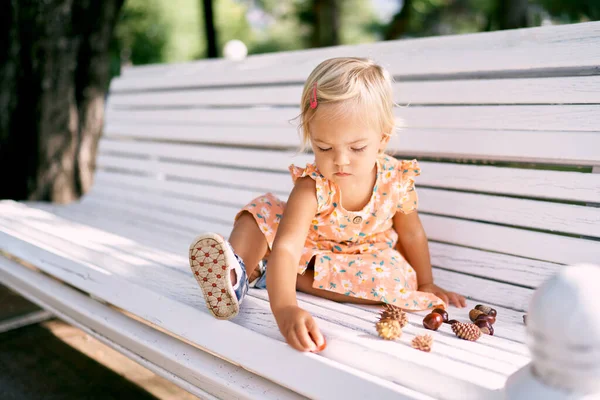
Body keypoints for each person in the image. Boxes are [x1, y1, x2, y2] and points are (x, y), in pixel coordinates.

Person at [189, 57, 466, 353]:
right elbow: (287, 246)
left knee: (397, 280)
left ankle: (274, 273)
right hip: (301, 246)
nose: (340, 160)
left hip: (360, 260)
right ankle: (233, 275)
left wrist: (426, 283)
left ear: (382, 140)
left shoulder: (395, 180)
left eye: (357, 148)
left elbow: (412, 235)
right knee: (259, 214)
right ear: (311, 137)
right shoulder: (313, 186)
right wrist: (284, 309)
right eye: (324, 147)